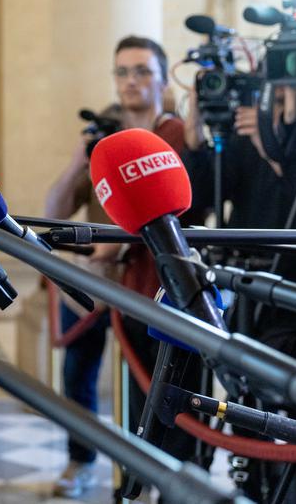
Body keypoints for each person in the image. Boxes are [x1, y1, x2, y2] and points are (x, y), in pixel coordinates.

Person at [45, 35, 201, 499]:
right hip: (94, 280)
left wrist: (115, 249)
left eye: (142, 71)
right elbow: (54, 208)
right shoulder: (104, 139)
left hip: (150, 282)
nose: (131, 81)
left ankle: (151, 477)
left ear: (160, 77)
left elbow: (182, 207)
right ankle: (81, 460)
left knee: (150, 386)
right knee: (77, 374)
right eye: (122, 72)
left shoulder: (175, 135)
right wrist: (80, 159)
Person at [184, 85, 296, 503]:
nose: (278, 115)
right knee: (247, 416)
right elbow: (196, 201)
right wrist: (196, 142)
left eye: (287, 106)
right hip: (249, 306)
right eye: (273, 102)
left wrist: (280, 151)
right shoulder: (242, 145)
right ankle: (251, 486)